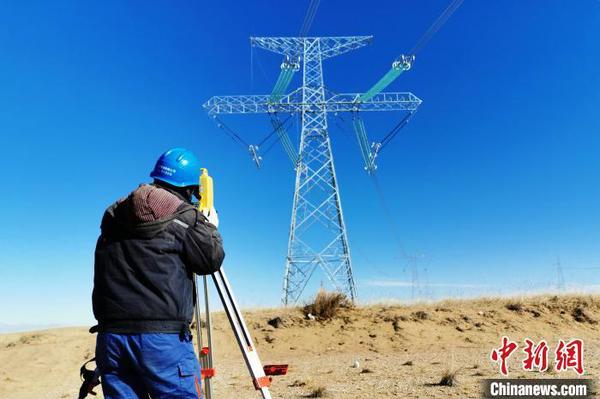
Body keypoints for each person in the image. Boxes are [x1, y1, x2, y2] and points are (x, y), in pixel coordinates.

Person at [92, 147, 224, 398]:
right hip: (162, 340)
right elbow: (209, 261)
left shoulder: (114, 215)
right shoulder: (185, 217)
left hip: (112, 338)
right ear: (190, 188)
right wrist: (209, 226)